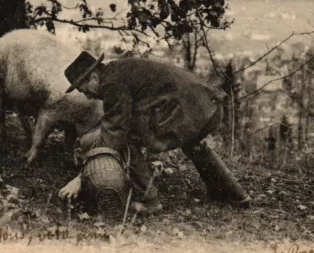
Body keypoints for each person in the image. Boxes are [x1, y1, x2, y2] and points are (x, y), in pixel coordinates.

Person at [58, 51, 251, 216]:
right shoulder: (116, 71)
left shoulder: (112, 84)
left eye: (84, 90)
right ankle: (235, 195)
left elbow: (115, 133)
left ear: (93, 77)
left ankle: (149, 202)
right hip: (206, 107)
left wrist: (81, 177)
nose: (88, 96)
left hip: (190, 112)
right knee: (194, 144)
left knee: (127, 141)